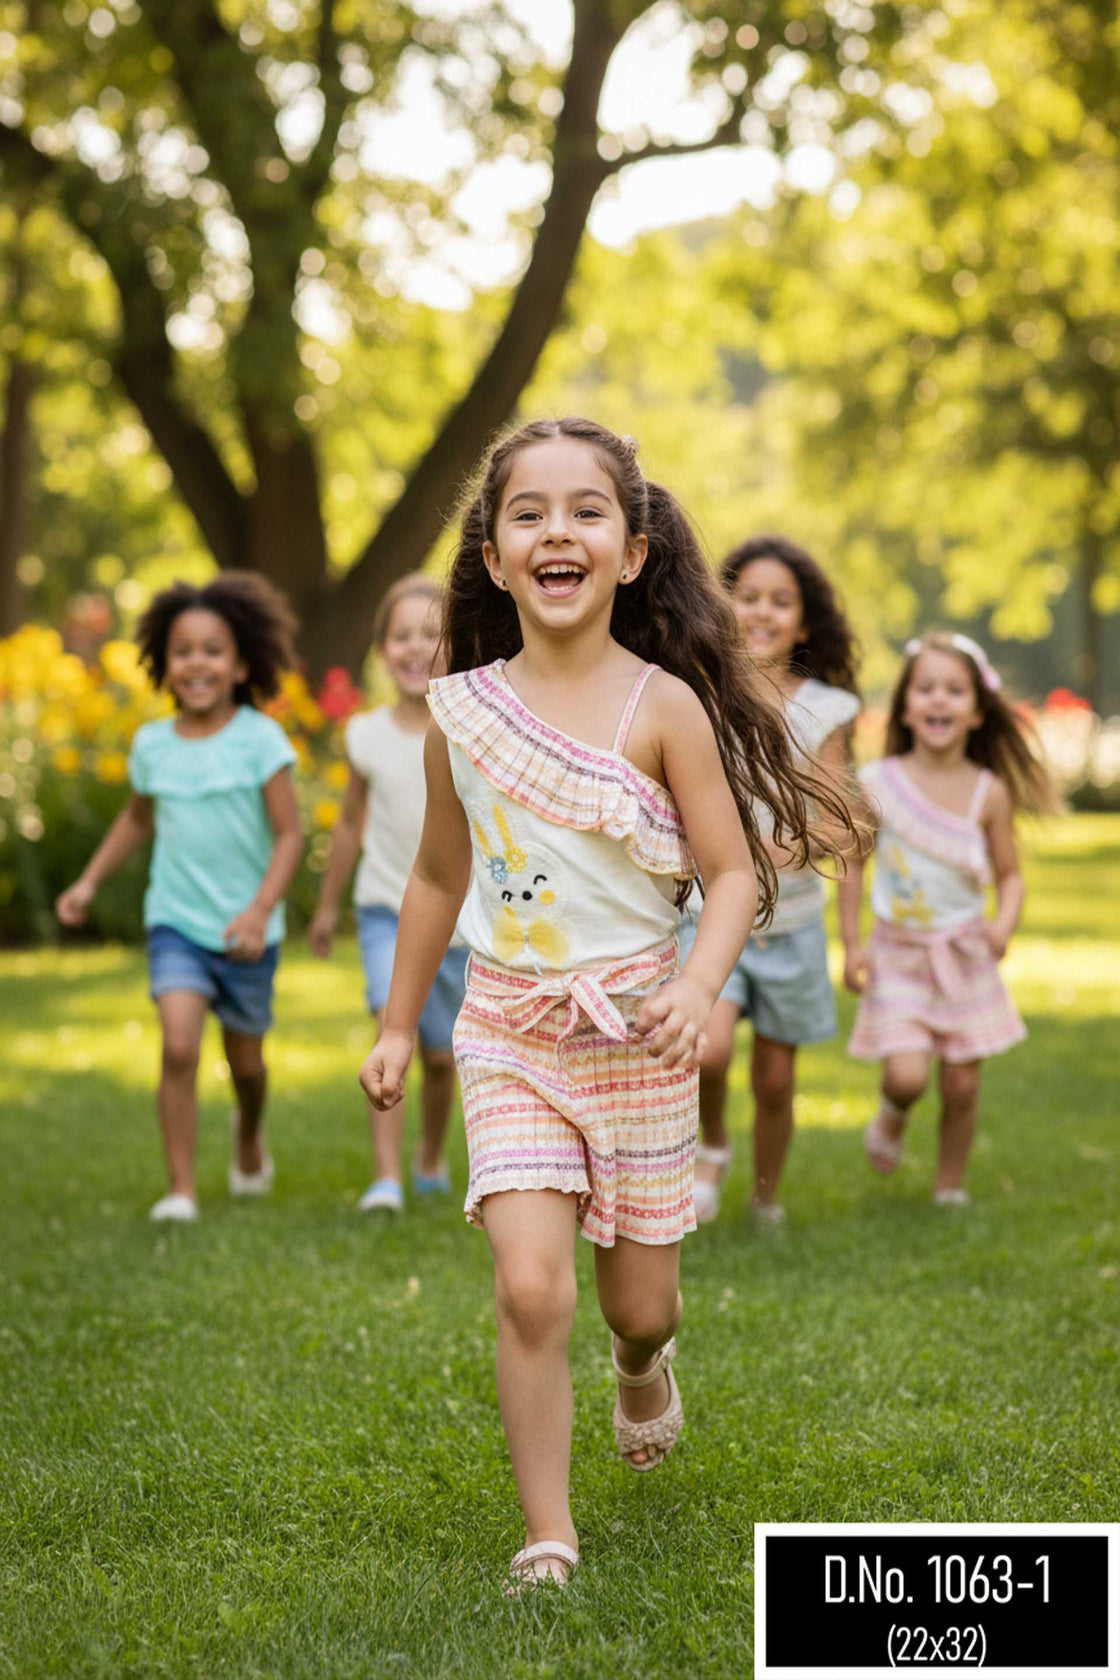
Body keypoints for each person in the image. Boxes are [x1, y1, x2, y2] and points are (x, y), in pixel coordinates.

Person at [358, 418, 856, 1589]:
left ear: (632, 551)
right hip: (512, 1031)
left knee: (639, 1305)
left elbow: (732, 873)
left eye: (585, 510)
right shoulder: (463, 712)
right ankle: (549, 1535)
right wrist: (395, 1023)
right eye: (526, 513)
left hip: (639, 1035)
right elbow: (436, 876)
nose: (555, 532)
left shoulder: (665, 709)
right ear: (492, 556)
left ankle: (643, 1366)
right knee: (530, 1286)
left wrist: (695, 983)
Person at [56, 574, 302, 1222]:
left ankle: (249, 1132)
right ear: (164, 663)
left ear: (242, 663)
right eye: (183, 649)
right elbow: (137, 820)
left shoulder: (259, 740)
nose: (197, 662)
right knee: (179, 1047)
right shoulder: (153, 745)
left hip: (248, 933)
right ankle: (181, 1189)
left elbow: (289, 836)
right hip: (177, 923)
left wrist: (257, 911)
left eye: (213, 649)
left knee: (246, 1064)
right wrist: (88, 881)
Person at [682, 536, 861, 1225]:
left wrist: (789, 842)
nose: (761, 611)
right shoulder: (701, 695)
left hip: (791, 925)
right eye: (747, 597)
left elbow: (840, 822)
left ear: (804, 622)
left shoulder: (826, 708)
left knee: (778, 1079)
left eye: (779, 602)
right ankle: (714, 1143)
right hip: (711, 913)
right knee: (709, 1046)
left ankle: (765, 1195)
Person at [839, 631, 1053, 1205]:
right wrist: (852, 945)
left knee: (961, 1083)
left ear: (978, 712)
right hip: (899, 954)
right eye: (926, 689)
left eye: (954, 691)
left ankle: (948, 1188)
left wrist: (1003, 924)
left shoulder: (989, 793)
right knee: (908, 1074)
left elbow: (1010, 875)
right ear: (906, 706)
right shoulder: (880, 783)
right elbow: (854, 865)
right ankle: (893, 1111)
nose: (939, 701)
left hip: (963, 955)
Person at [309, 575, 468, 1213]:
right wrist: (326, 907)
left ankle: (430, 1152)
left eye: (430, 635)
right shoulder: (366, 736)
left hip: (461, 923)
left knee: (437, 1058)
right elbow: (349, 825)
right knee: (389, 1027)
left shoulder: (470, 730)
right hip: (384, 909)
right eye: (400, 636)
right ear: (381, 649)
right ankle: (385, 1178)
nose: (414, 648)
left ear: (454, 648)